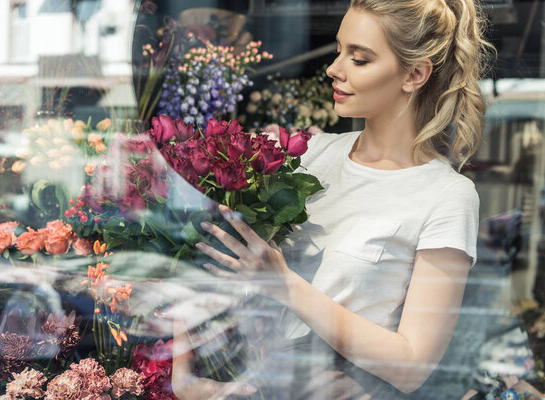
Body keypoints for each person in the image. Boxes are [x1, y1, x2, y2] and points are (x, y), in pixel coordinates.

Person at [172, 0, 494, 398]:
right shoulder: (308, 155)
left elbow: (412, 365)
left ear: (414, 74)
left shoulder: (446, 196)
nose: (333, 69)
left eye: (359, 59)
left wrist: (285, 284)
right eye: (339, 50)